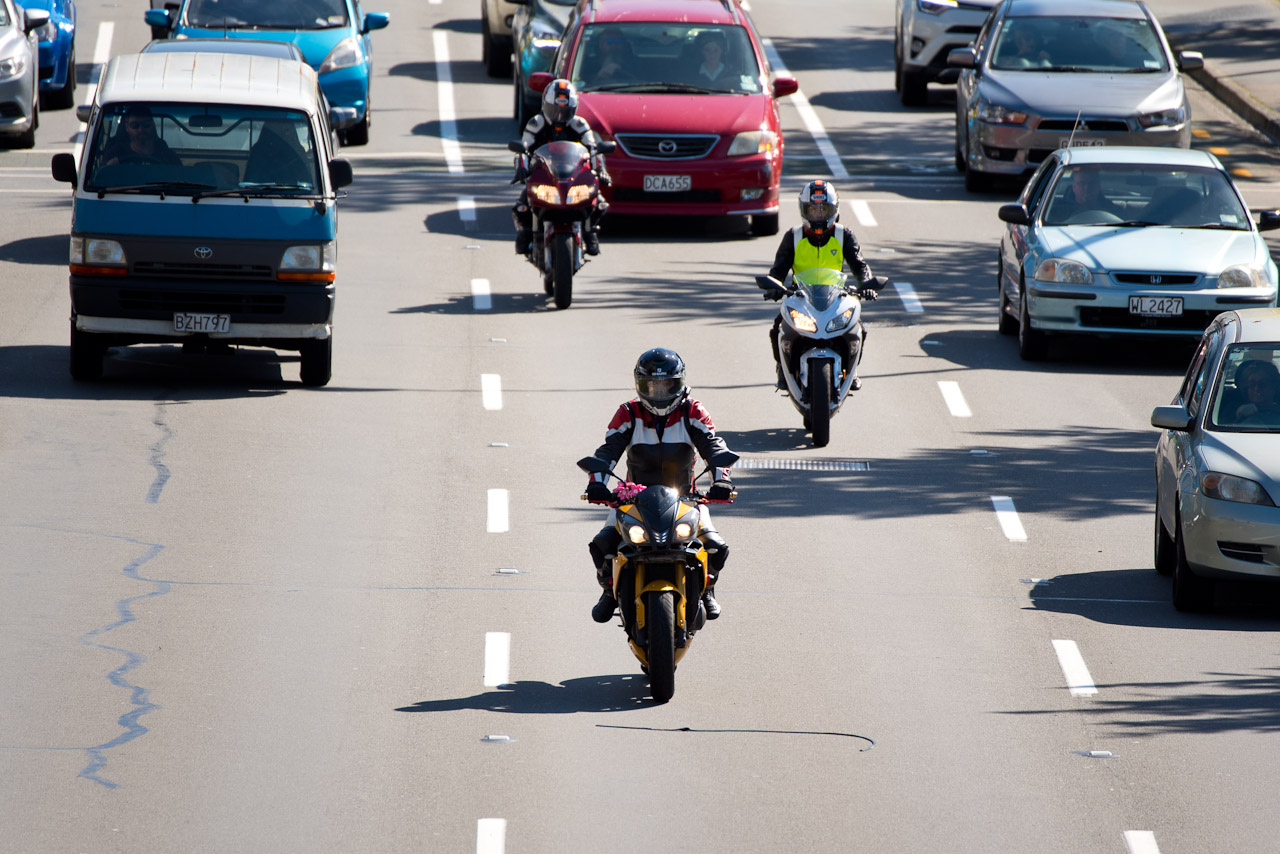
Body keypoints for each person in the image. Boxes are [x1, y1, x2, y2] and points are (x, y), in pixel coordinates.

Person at [584, 348, 735, 623]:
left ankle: (707, 589)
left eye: (666, 385)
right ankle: (608, 590)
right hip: (633, 500)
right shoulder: (628, 413)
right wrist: (597, 482)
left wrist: (722, 479)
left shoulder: (693, 411)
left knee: (716, 546)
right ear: (640, 385)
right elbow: (606, 452)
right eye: (652, 385)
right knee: (602, 544)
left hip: (686, 498)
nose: (659, 392)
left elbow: (714, 446)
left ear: (679, 382)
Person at [764, 180, 876, 390]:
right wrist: (774, 286)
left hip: (836, 297)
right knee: (778, 326)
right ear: (803, 209)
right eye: (813, 209)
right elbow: (778, 270)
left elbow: (860, 265)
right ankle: (782, 367)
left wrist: (867, 284)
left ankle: (852, 370)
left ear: (833, 209)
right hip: (801, 298)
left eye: (823, 209)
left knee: (858, 328)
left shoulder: (844, 235)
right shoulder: (793, 236)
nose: (818, 214)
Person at [511, 78, 610, 256]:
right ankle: (525, 234)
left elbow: (594, 149)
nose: (559, 115)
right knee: (521, 206)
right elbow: (523, 148)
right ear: (545, 104)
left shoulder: (580, 125)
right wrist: (521, 169)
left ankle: (589, 232)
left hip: (574, 174)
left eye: (564, 110)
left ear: (573, 108)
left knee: (600, 203)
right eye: (555, 109)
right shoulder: (536, 123)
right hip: (543, 173)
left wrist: (600, 170)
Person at [102, 106, 182, 166]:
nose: (141, 130)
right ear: (127, 127)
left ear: (152, 125)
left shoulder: (168, 157)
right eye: (135, 125)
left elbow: (180, 180)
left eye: (146, 125)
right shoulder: (115, 154)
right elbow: (102, 179)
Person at [1044, 168, 1122, 223]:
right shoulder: (1057, 210)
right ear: (1074, 187)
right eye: (1082, 183)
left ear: (1098, 187)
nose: (1087, 188)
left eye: (1091, 184)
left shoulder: (1113, 210)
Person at [1234, 359, 1280, 425]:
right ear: (1246, 388)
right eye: (1252, 384)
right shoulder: (1230, 407)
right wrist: (1239, 412)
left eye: (1263, 383)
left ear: (1274, 386)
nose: (1257, 388)